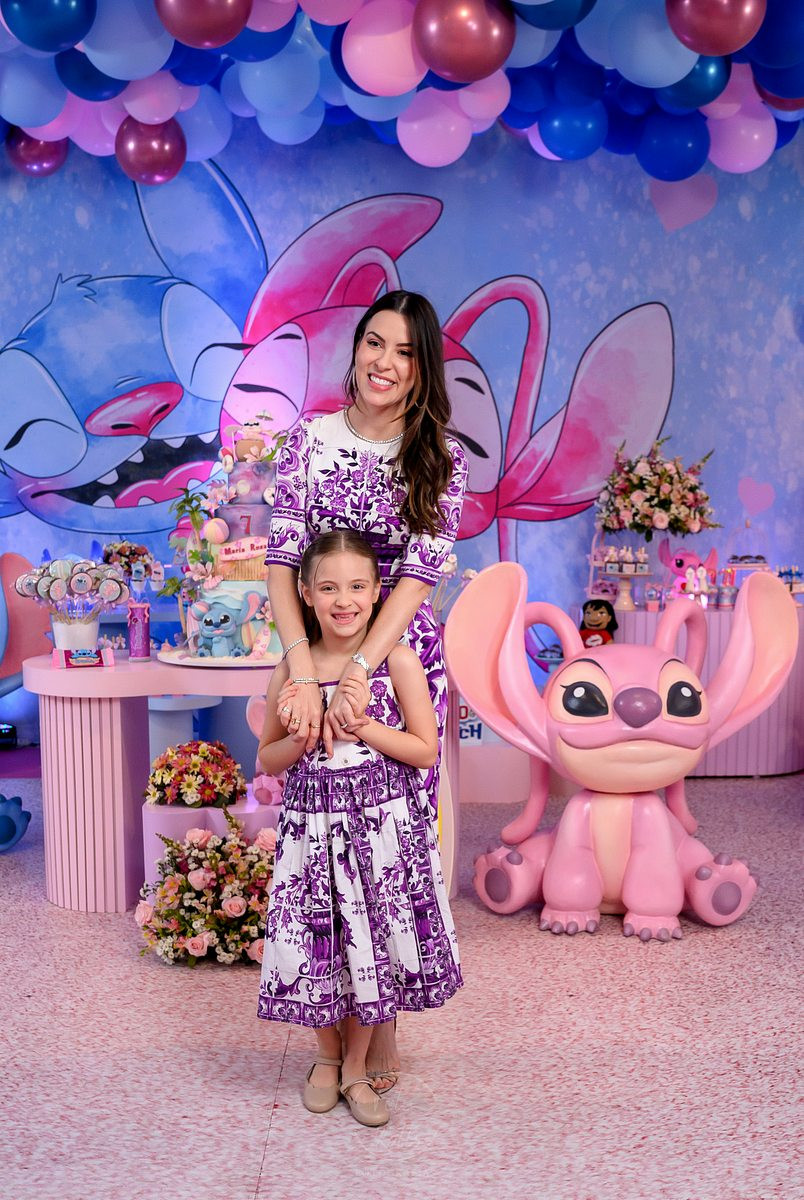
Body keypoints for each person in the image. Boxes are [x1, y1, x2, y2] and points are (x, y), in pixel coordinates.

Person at [264, 289, 468, 1089]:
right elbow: (282, 562)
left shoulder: (439, 456)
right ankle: (331, 1029)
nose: (386, 362)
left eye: (406, 352)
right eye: (375, 343)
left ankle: (383, 1027)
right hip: (314, 648)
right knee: (324, 850)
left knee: (394, 854)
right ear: (355, 349)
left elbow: (417, 577)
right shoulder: (308, 441)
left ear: (423, 369)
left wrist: (360, 672)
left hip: (400, 656)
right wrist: (304, 669)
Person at [256, 531, 462, 1128]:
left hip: (379, 835)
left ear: (377, 594)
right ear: (305, 594)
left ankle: (355, 1065)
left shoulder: (397, 661)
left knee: (373, 944)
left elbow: (424, 750)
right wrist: (300, 738)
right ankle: (325, 1056)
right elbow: (266, 757)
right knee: (316, 941)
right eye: (328, 588)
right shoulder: (291, 673)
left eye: (356, 587)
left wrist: (364, 726)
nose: (343, 600)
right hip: (312, 834)